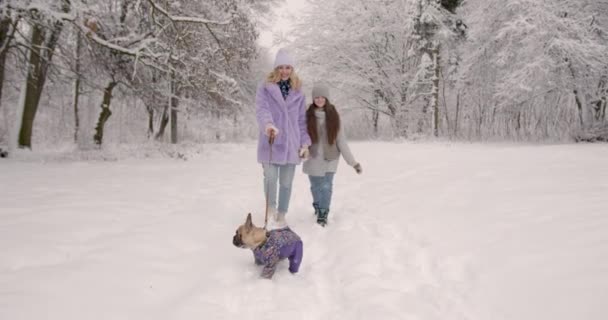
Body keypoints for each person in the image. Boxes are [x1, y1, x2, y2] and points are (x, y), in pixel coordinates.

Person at [256, 49, 311, 228]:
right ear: (276, 68)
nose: (285, 71)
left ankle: (281, 214)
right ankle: (271, 209)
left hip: (291, 144)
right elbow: (261, 109)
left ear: (292, 69)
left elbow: (302, 120)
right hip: (271, 141)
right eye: (281, 67)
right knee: (270, 178)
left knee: (286, 183)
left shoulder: (298, 92)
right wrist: (268, 125)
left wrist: (305, 143)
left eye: (288, 67)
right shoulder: (265, 87)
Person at [303, 84, 362, 226]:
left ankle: (323, 212)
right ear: (313, 99)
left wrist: (353, 162)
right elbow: (300, 137)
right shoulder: (306, 116)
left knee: (326, 186)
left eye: (322, 97)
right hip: (313, 157)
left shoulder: (335, 116)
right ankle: (317, 205)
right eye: (316, 97)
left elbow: (342, 141)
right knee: (315, 186)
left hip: (331, 157)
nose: (319, 100)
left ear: (326, 98)